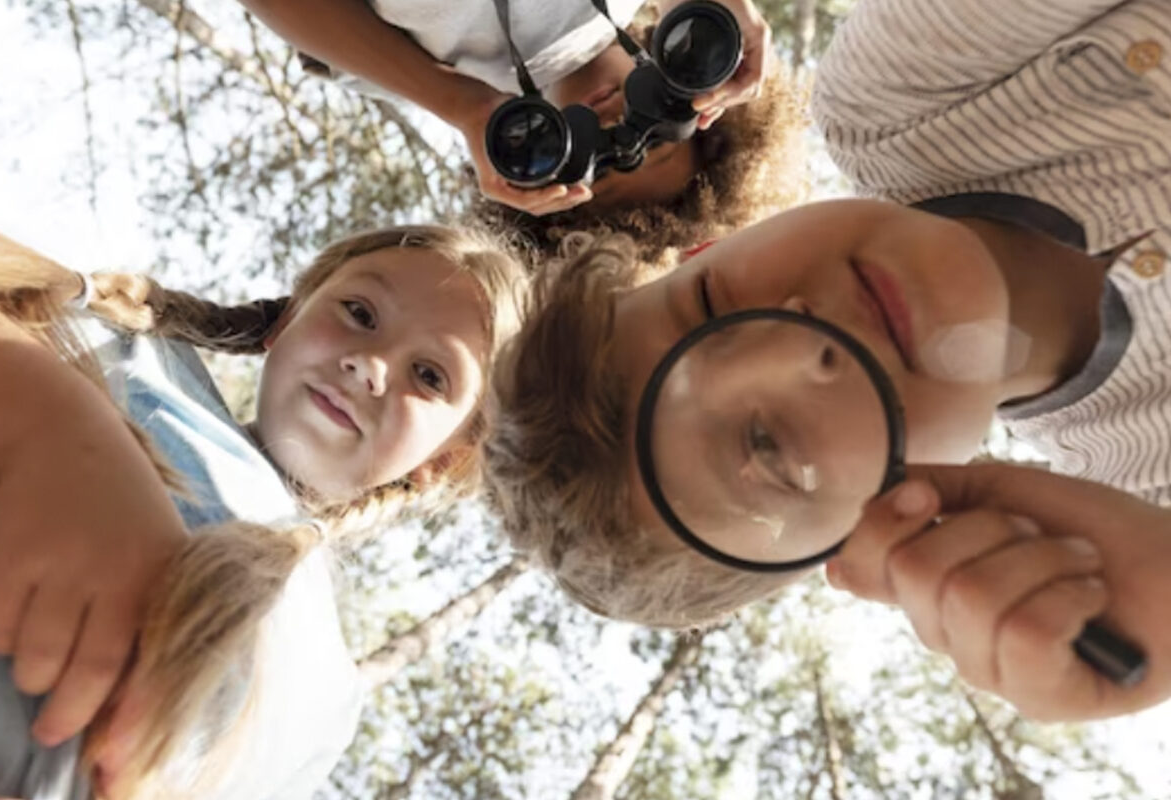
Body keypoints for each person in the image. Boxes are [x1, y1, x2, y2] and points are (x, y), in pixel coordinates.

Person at [483, 0, 1171, 718]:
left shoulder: (898, 98)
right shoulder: (1150, 495)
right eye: (770, 448)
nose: (804, 350)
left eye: (711, 306)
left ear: (708, 249)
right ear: (876, 525)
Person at [0, 218, 526, 796]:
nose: (371, 365)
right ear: (287, 318)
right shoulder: (139, 355)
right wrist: (46, 426)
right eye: (359, 313)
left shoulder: (330, 697)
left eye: (430, 375)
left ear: (442, 460)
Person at [236, 0, 807, 265]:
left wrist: (461, 105)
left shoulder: (431, 76)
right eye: (657, 136)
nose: (615, 126)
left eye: (599, 162)